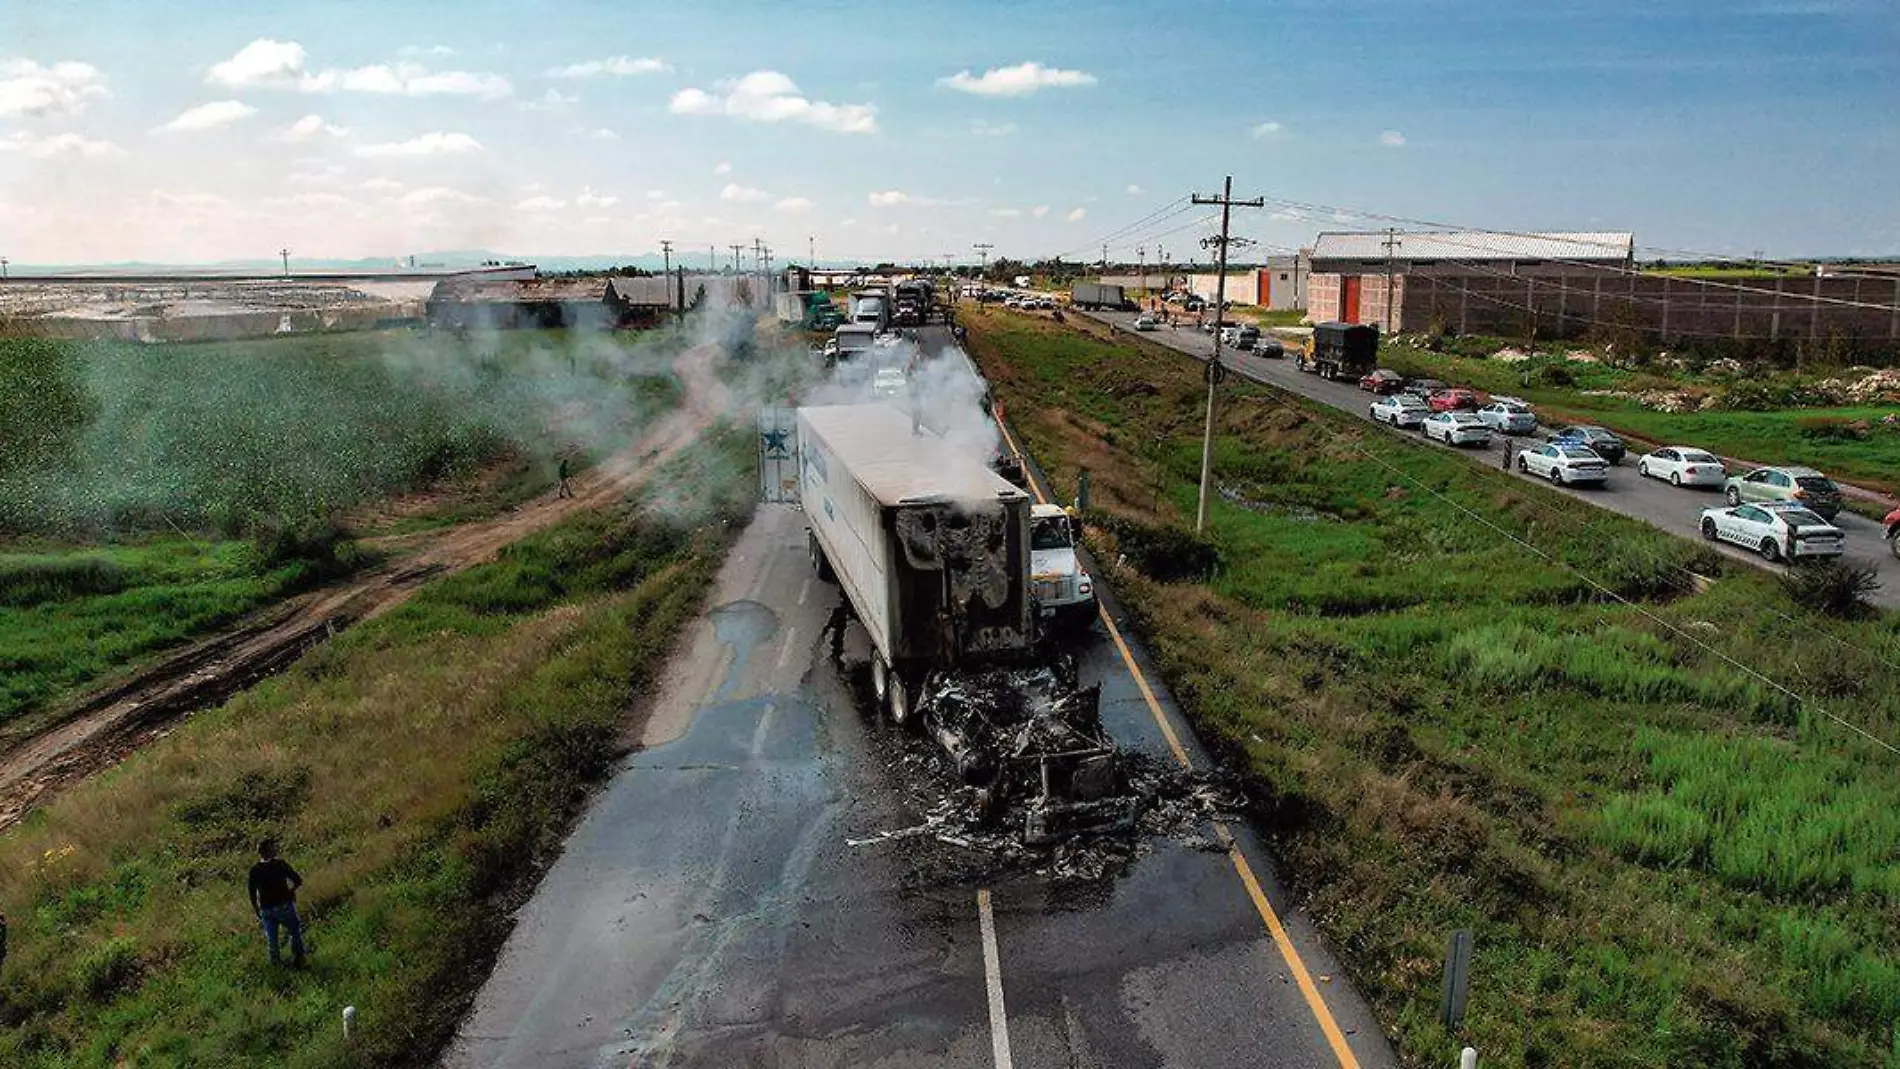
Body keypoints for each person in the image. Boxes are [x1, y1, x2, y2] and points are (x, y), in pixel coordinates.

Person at [248, 840, 305, 966]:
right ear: (269, 851)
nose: (275, 850)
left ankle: (276, 964)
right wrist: (291, 892)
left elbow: (252, 893)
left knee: (272, 939)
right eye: (272, 848)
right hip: (283, 905)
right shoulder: (280, 864)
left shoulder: (254, 870)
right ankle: (298, 959)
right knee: (294, 931)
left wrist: (257, 910)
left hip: (266, 909)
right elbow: (298, 880)